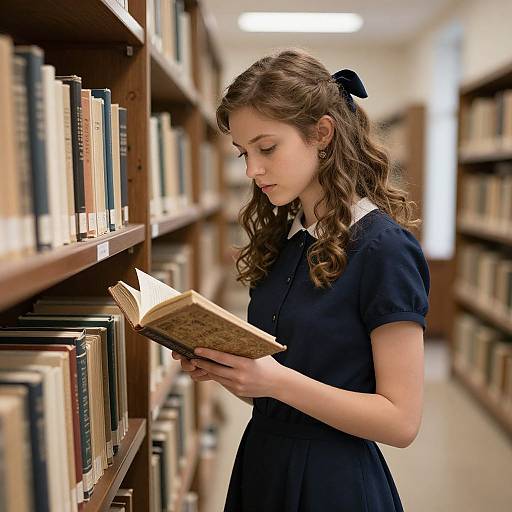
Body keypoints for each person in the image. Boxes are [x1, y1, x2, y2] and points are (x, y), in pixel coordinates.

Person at [172, 47, 430, 511]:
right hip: (264, 462)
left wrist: (274, 382)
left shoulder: (383, 249)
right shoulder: (285, 238)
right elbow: (291, 381)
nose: (252, 170)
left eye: (267, 148)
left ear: (322, 133)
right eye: (243, 152)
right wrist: (236, 373)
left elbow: (401, 422)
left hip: (332, 483)